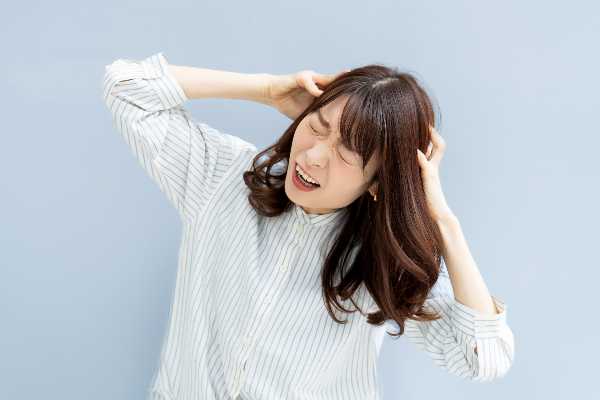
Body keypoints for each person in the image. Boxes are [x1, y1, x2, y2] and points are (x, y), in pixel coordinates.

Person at [102, 52, 515, 400]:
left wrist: (442, 220)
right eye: (318, 125)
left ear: (377, 182)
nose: (313, 156)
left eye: (347, 151)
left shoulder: (385, 258)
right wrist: (266, 89)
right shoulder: (222, 178)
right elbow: (124, 87)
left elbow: (483, 358)